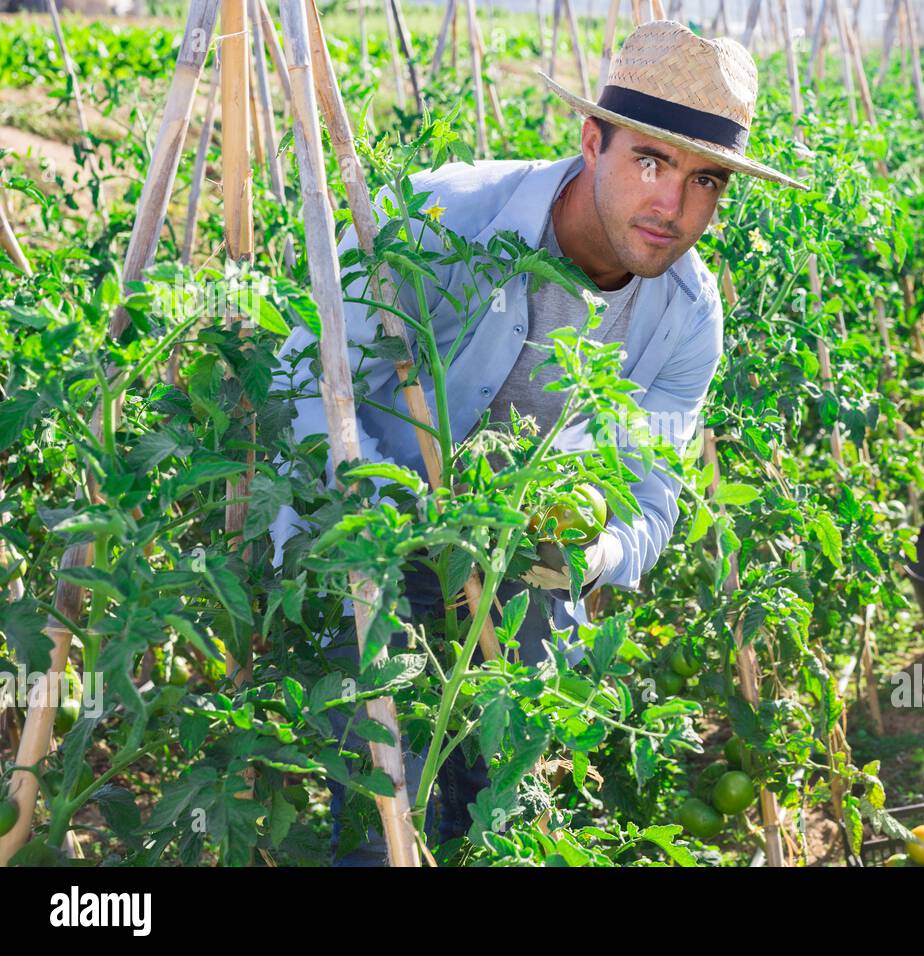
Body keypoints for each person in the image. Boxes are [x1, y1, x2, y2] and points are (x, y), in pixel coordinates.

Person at [267, 19, 805, 865]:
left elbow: (653, 492)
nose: (674, 204)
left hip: (525, 557)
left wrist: (592, 553)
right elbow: (304, 371)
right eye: (651, 162)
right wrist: (371, 511)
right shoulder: (440, 217)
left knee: (499, 804)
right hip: (370, 522)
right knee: (381, 806)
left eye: (705, 181)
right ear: (593, 141)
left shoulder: (689, 319)